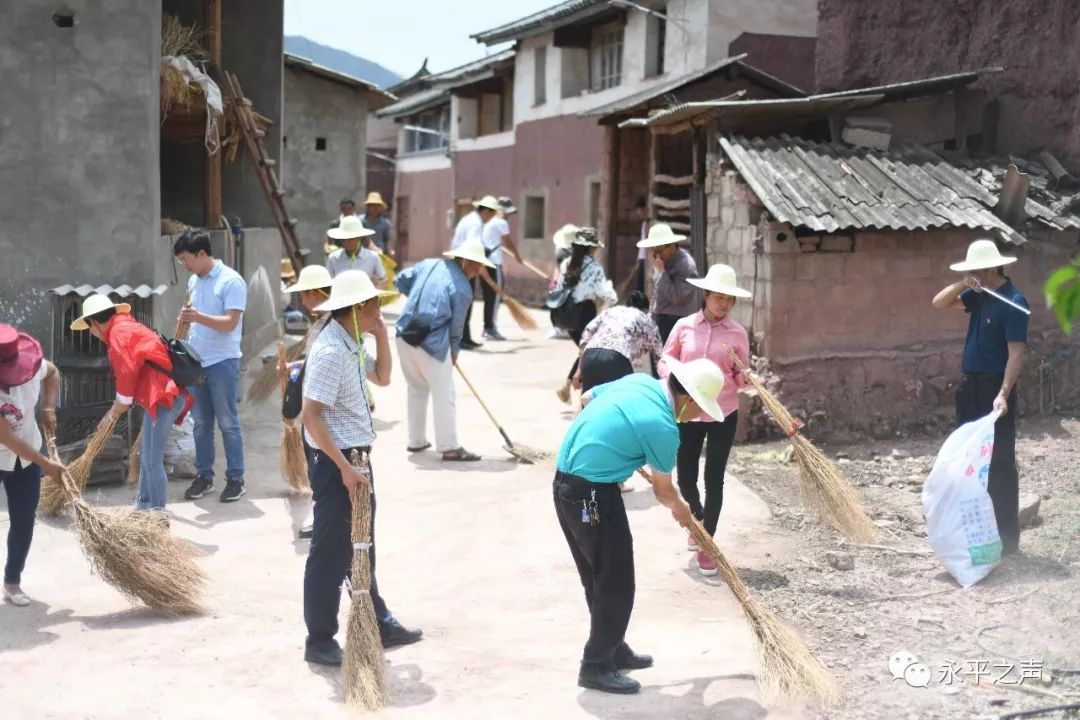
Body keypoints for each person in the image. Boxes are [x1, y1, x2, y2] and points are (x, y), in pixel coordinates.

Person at [553, 359, 726, 694]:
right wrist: (684, 511)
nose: (698, 417)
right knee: (616, 581)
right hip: (592, 494)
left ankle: (612, 647)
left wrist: (607, 444)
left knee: (599, 576)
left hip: (567, 485)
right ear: (687, 399)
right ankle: (596, 666)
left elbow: (589, 398)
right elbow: (664, 491)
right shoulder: (663, 426)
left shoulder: (641, 383)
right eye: (700, 409)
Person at [301, 270, 422, 666]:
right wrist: (343, 469)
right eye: (373, 306)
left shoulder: (351, 343)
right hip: (336, 460)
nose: (378, 311)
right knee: (331, 550)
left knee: (361, 544)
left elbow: (384, 377)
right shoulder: (331, 352)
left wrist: (382, 336)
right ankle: (319, 639)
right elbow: (311, 417)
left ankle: (378, 621)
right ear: (354, 309)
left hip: (356, 458)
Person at [932, 239, 1029, 555]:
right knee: (968, 460)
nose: (972, 273)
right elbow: (939, 303)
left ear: (989, 268)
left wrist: (1003, 393)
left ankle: (1007, 538)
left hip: (994, 391)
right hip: (969, 388)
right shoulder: (977, 295)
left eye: (974, 269)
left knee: (999, 462)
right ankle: (973, 531)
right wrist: (962, 283)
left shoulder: (1014, 301)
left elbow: (1016, 354)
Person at [658, 264, 752, 576]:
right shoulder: (685, 327)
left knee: (714, 477)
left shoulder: (738, 333)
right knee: (685, 476)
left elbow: (740, 375)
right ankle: (696, 520)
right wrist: (674, 384)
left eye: (729, 299)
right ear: (706, 294)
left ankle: (708, 542)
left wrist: (746, 378)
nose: (723, 303)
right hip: (688, 410)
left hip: (723, 410)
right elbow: (665, 359)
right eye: (718, 297)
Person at [71, 294, 193, 513]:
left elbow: (126, 372)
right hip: (162, 397)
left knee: (152, 459)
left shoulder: (119, 334)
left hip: (163, 398)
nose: (91, 334)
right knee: (145, 456)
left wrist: (119, 406)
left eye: (89, 328)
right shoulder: (126, 326)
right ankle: (144, 507)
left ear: (95, 323)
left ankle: (156, 514)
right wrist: (118, 406)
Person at [394, 234, 495, 462]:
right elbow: (457, 329)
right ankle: (449, 448)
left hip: (404, 335)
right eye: (476, 264)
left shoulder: (428, 264)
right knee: (444, 393)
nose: (477, 270)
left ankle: (416, 441)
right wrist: (454, 354)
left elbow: (400, 280)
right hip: (431, 345)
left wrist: (419, 299)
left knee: (417, 389)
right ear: (463, 260)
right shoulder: (463, 289)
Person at [173, 229, 248, 503]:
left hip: (223, 362)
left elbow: (230, 323)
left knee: (228, 422)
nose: (185, 265)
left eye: (186, 259)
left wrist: (198, 317)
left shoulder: (231, 281)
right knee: (201, 423)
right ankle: (204, 476)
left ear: (202, 254)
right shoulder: (194, 281)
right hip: (197, 362)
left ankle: (236, 479)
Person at [0, 324, 63, 607]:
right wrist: (47, 464)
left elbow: (53, 373)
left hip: (27, 458)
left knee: (24, 520)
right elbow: (7, 439)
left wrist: (48, 407)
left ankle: (12, 583)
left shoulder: (32, 368)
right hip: (11, 452)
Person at [279, 265, 334, 540]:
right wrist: (294, 365)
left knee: (321, 468)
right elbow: (315, 360)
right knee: (319, 468)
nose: (302, 300)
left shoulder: (332, 325)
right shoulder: (322, 322)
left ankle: (322, 521)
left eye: (304, 294)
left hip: (322, 409)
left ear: (315, 293)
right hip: (314, 405)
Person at [554, 227, 618, 404]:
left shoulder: (566, 263)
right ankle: (575, 389)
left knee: (584, 351)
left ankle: (566, 387)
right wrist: (612, 295)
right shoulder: (595, 267)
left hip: (566, 314)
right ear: (591, 248)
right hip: (585, 313)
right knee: (587, 352)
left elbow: (560, 287)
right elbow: (606, 294)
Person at [572, 290, 662, 393]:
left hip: (590, 356)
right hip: (617, 359)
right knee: (617, 404)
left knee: (590, 405)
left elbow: (586, 335)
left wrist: (579, 369)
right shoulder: (645, 318)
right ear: (646, 309)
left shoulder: (610, 311)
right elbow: (659, 355)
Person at [450, 195, 500, 349]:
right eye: (491, 214)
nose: (491, 218)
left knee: (464, 302)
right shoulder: (475, 224)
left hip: (459, 263)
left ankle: (464, 337)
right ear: (485, 211)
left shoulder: (470, 219)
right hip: (464, 264)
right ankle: (462, 338)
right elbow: (472, 249)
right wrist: (482, 272)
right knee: (465, 302)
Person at [636, 224, 700, 343]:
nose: (656, 255)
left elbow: (678, 297)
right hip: (659, 321)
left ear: (671, 246)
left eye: (659, 250)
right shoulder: (662, 261)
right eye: (653, 251)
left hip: (676, 323)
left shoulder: (686, 265)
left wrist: (663, 273)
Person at [479, 197, 521, 341]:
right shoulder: (501, 222)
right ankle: (490, 328)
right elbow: (508, 242)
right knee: (496, 297)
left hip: (484, 262)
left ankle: (487, 327)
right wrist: (517, 256)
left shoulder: (487, 222)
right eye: (507, 212)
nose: (508, 216)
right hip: (494, 263)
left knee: (488, 298)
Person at [326, 216, 388, 289]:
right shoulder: (333, 258)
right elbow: (328, 284)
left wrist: (374, 294)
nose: (346, 242)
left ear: (359, 238)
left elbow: (383, 279)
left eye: (350, 239)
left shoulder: (373, 257)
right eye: (344, 239)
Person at [548, 224, 577, 339]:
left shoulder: (572, 252)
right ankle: (559, 328)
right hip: (564, 280)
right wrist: (554, 280)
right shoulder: (562, 252)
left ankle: (564, 328)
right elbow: (559, 268)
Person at [633, 198, 649, 295]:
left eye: (640, 213)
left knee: (642, 284)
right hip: (642, 258)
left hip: (646, 259)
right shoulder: (644, 224)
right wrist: (638, 258)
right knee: (639, 283)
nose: (640, 216)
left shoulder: (648, 224)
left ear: (645, 209)